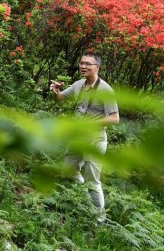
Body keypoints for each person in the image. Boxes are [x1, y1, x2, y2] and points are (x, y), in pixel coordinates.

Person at [50, 52, 119, 223]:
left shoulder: (106, 90)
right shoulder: (79, 84)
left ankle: (99, 219)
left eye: (88, 64)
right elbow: (59, 99)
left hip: (95, 141)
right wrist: (55, 91)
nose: (83, 66)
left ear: (97, 67)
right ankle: (83, 195)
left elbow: (114, 118)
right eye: (81, 63)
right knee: (69, 168)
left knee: (93, 182)